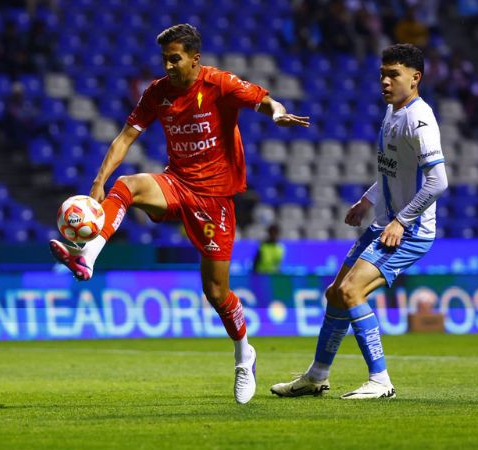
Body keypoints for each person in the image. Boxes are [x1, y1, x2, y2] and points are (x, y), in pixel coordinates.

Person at [49, 24, 309, 404]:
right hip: (178, 183)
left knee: (216, 292)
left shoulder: (219, 83)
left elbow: (264, 100)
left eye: (175, 59)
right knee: (128, 186)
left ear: (194, 58)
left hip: (215, 199)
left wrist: (277, 114)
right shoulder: (157, 92)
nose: (169, 66)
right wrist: (98, 182)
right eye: (165, 59)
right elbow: (125, 137)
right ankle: (86, 257)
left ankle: (243, 356)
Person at [271, 43, 447, 400]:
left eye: (393, 74)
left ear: (415, 78)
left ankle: (381, 381)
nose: (384, 81)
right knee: (335, 294)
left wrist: (401, 220)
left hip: (408, 231)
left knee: (351, 291)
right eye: (382, 73)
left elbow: (438, 181)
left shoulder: (420, 119)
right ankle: (317, 376)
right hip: (383, 222)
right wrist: (369, 199)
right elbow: (393, 172)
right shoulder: (392, 111)